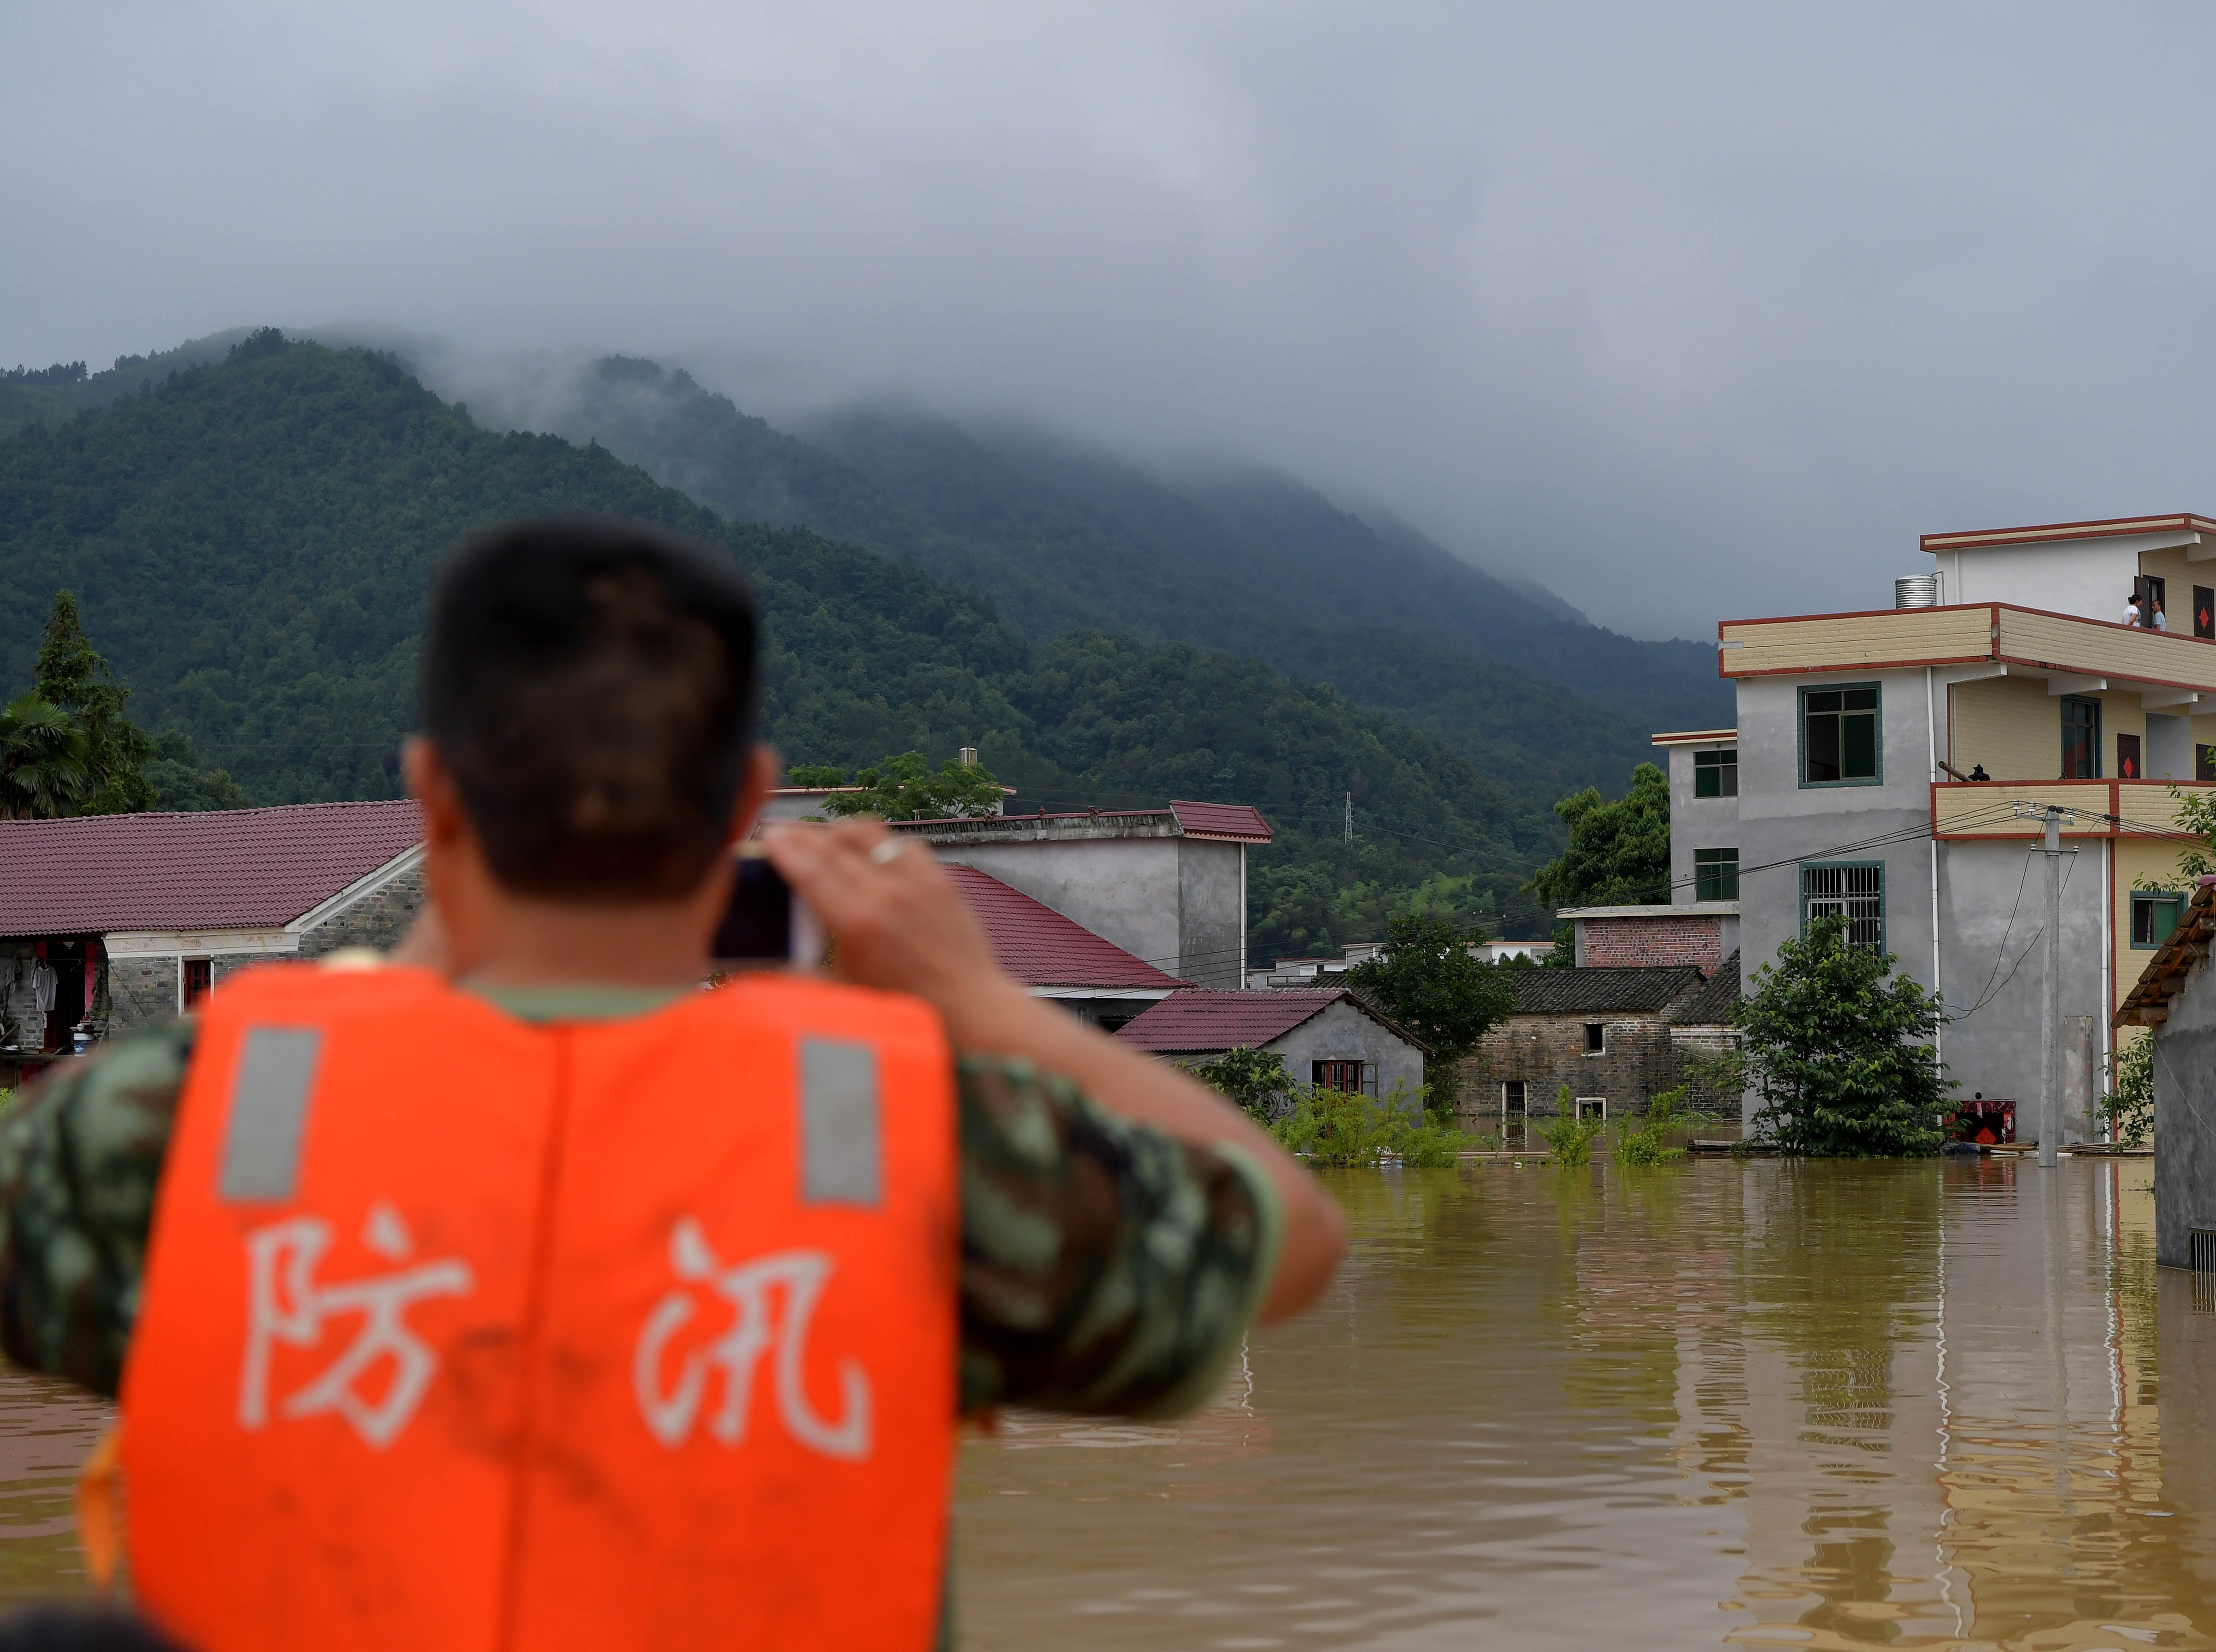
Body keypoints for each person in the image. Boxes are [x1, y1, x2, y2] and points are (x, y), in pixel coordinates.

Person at [0, 519, 1345, 1652]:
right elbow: (1286, 1242)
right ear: (748, 804)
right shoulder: (895, 1135)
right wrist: (979, 1002)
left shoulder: (193, 1123)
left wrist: (382, 988)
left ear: (433, 796)